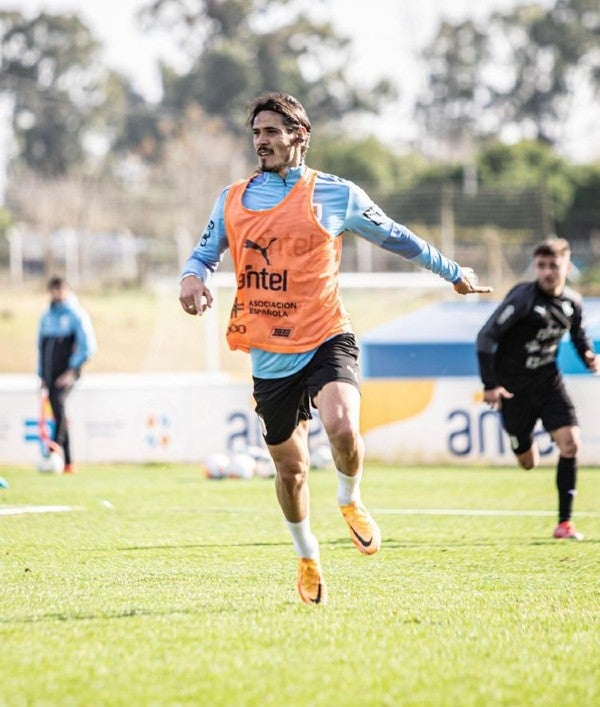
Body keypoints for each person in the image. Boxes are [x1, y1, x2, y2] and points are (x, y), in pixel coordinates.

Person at [179, 91, 491, 604]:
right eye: (256, 133)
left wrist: (453, 273)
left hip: (327, 333)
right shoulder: (232, 199)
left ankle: (350, 498)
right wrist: (192, 278)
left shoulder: (336, 194)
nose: (262, 142)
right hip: (268, 350)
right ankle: (307, 555)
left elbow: (396, 236)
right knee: (291, 469)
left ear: (299, 136)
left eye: (272, 132)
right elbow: (203, 252)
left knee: (344, 425)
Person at [477, 237, 599, 540]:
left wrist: (587, 356)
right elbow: (485, 338)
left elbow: (578, 334)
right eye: (542, 266)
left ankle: (564, 524)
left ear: (566, 267)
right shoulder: (522, 299)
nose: (547, 272)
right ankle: (521, 440)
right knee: (527, 462)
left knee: (571, 443)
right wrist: (491, 384)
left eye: (554, 266)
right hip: (513, 388)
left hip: (547, 380)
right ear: (535, 266)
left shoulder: (573, 302)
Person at [38, 276, 96, 473]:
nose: (57, 295)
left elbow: (88, 347)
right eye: (54, 291)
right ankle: (68, 462)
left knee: (59, 405)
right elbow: (42, 347)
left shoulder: (76, 314)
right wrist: (42, 376)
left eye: (60, 290)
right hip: (50, 375)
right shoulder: (47, 316)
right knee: (57, 410)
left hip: (67, 374)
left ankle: (54, 447)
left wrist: (72, 370)